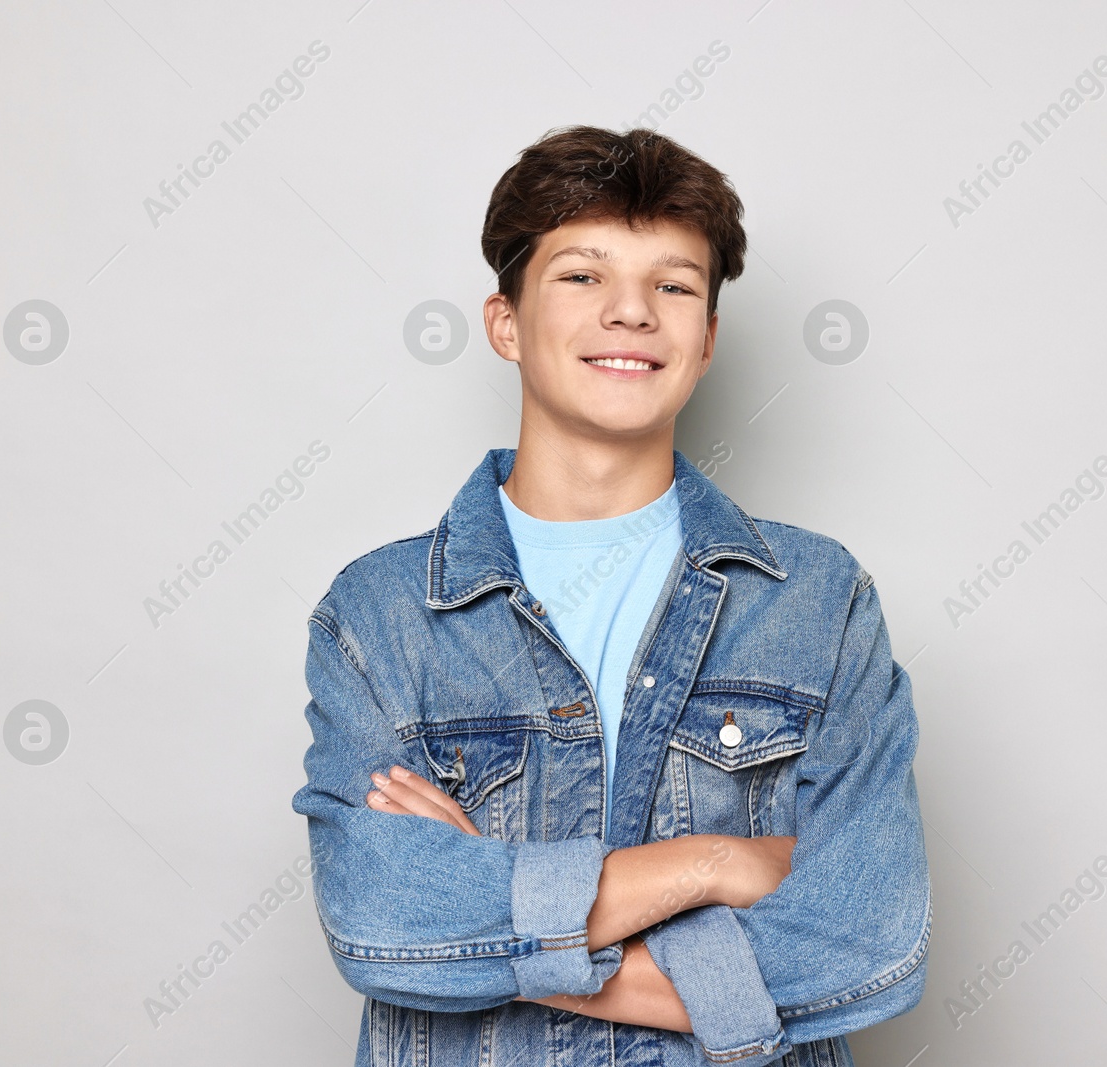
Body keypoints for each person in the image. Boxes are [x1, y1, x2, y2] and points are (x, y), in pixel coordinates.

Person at [292, 124, 930, 1067]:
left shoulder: (818, 602)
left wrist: (501, 927)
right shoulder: (381, 615)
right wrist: (714, 863)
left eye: (672, 285)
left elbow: (867, 943)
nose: (631, 312)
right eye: (583, 276)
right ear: (505, 321)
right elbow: (383, 924)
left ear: (706, 338)